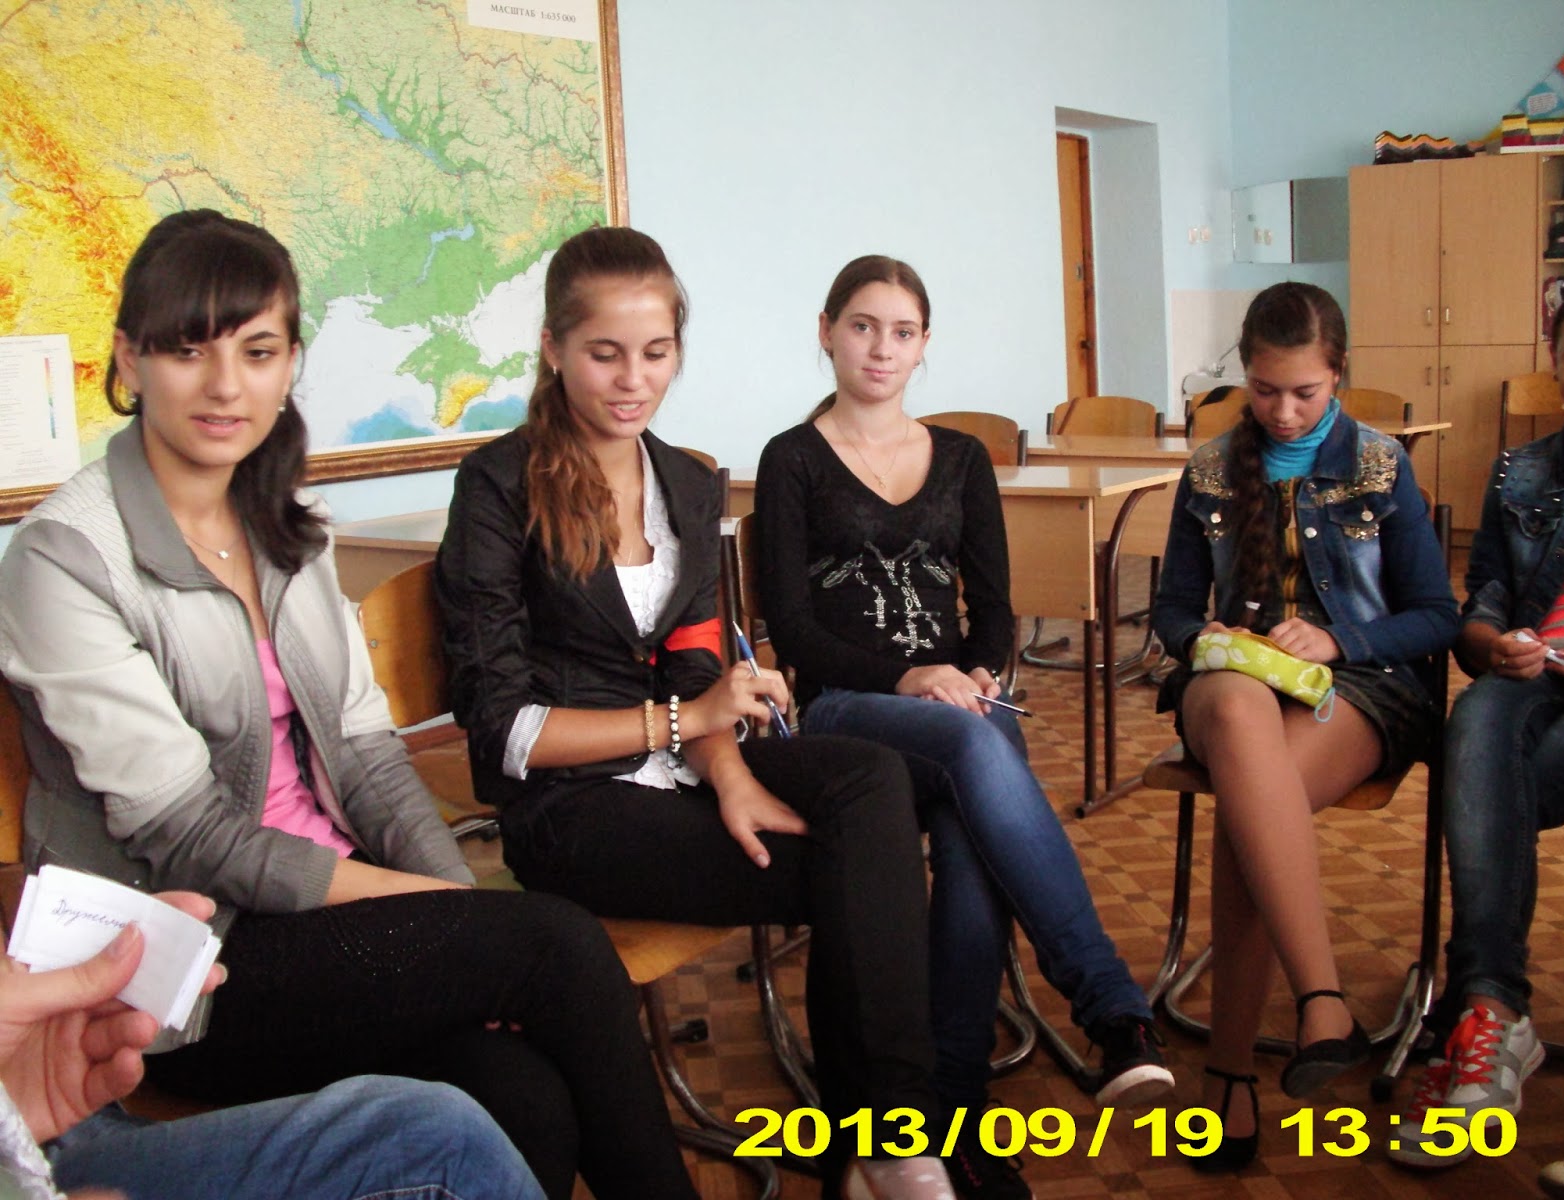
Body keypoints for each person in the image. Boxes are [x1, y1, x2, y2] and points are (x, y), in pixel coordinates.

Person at [0, 209, 699, 1200]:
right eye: (189, 350)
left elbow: (369, 758)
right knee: (557, 944)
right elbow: (190, 834)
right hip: (190, 965)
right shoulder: (65, 557)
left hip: (331, 922)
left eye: (257, 351)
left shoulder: (290, 526)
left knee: (522, 1095)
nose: (226, 384)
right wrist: (445, 914)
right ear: (128, 359)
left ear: (290, 363)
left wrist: (451, 914)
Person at [434, 225, 956, 1200]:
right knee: (858, 871)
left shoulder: (682, 478)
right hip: (569, 806)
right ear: (552, 348)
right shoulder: (498, 485)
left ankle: (882, 1141)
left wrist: (729, 773)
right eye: (605, 353)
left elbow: (693, 659)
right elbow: (501, 729)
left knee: (870, 780)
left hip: (680, 767)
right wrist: (681, 729)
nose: (633, 380)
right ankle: (883, 1142)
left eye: (656, 351)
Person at [753, 255, 1173, 1197]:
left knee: (969, 821)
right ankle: (1107, 1008)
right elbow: (795, 631)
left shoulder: (962, 458)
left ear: (924, 346)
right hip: (846, 707)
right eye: (863, 326)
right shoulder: (791, 460)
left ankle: (948, 1105)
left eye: (902, 332)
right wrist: (913, 676)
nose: (881, 348)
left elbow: (992, 608)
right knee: (982, 745)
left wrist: (977, 672)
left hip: (955, 705)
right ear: (826, 332)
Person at [1150, 281, 1459, 1170]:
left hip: (1356, 688)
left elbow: (1436, 616)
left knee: (1251, 805)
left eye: (1305, 392)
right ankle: (1321, 999)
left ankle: (1229, 1074)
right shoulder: (1210, 467)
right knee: (1236, 706)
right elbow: (1172, 609)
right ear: (1244, 375)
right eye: (1264, 390)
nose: (1283, 412)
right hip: (1230, 687)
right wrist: (1206, 639)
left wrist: (1338, 639)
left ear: (1339, 375)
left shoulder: (1381, 466)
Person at [1390, 280, 1564, 1173]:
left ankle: (1483, 1013)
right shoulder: (1522, 471)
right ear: (1554, 363)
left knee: (1486, 796)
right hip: (1535, 675)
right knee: (1474, 720)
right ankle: (1494, 1012)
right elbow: (1482, 605)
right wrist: (1491, 645)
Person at [0, 891, 541, 1200]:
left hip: (40, 1101)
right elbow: (201, 833)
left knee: (505, 1072)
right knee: (441, 1138)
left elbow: (372, 772)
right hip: (244, 920)